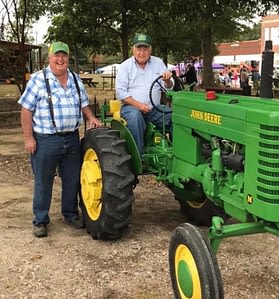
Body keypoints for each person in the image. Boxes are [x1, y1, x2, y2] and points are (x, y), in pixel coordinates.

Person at [18, 41, 102, 238]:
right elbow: (26, 110)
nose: (60, 59)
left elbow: (83, 104)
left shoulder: (75, 78)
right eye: (56, 55)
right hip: (46, 140)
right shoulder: (38, 80)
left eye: (63, 55)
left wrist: (91, 117)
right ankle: (40, 220)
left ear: (68, 58)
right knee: (43, 182)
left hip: (72, 138)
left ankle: (70, 214)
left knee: (72, 180)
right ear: (50, 58)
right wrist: (28, 138)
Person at [116, 33, 174, 155]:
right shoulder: (125, 66)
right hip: (130, 107)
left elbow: (169, 86)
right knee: (135, 117)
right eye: (139, 49)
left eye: (145, 49)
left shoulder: (158, 63)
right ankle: (138, 156)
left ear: (150, 50)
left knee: (175, 117)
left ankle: (178, 154)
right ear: (133, 49)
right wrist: (139, 105)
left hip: (154, 109)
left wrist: (167, 80)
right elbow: (121, 93)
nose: (142, 53)